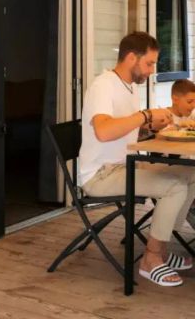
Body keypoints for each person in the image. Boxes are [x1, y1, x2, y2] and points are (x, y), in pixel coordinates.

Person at [79, 31, 195, 287]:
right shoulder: (103, 85)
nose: (152, 71)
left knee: (190, 174)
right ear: (132, 57)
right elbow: (103, 131)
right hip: (102, 174)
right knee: (175, 186)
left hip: (125, 164)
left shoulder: (129, 88)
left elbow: (126, 131)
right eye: (149, 63)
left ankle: (161, 246)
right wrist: (144, 115)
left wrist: (149, 128)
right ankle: (151, 259)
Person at [166, 79, 195, 229]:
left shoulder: (190, 118)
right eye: (190, 101)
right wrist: (178, 125)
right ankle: (174, 224)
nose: (193, 105)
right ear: (175, 99)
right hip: (170, 167)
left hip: (188, 165)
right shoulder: (164, 117)